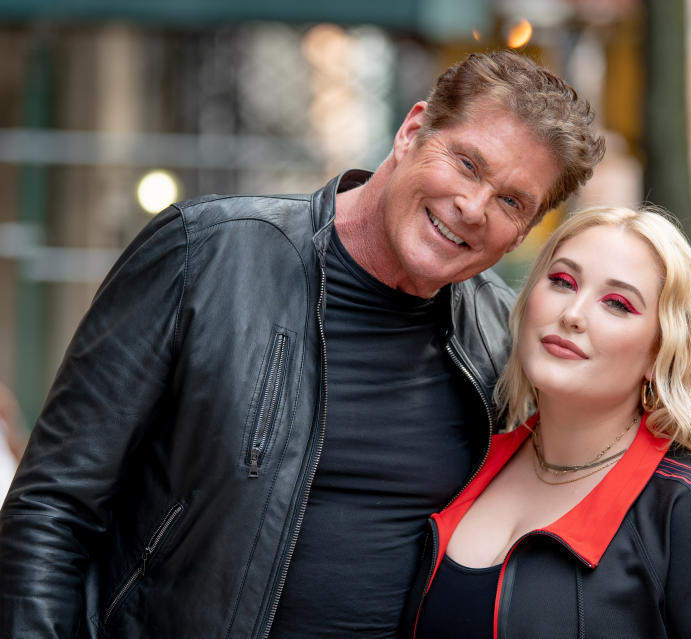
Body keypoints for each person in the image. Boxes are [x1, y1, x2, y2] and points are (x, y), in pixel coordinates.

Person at [0, 51, 605, 638]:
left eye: (510, 201)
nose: (472, 208)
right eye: (467, 164)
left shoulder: (503, 341)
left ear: (525, 230)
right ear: (412, 131)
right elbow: (53, 507)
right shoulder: (207, 253)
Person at [404, 206, 691, 638]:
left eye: (617, 304)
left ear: (659, 354)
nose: (573, 313)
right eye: (562, 281)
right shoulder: (467, 464)